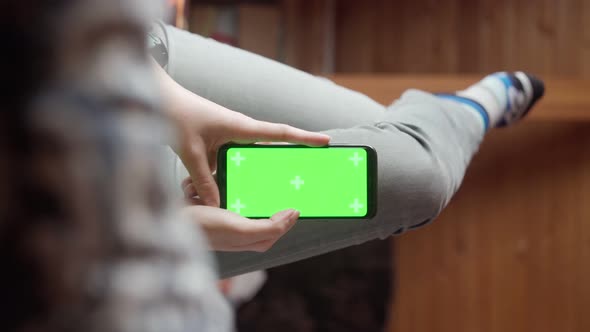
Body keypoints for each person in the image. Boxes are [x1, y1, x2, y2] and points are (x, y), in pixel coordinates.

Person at [150, 23, 544, 278]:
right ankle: (475, 107)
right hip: (127, 227)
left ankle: (450, 115)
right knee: (416, 171)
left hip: (122, 63)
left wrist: (158, 93)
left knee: (387, 130)